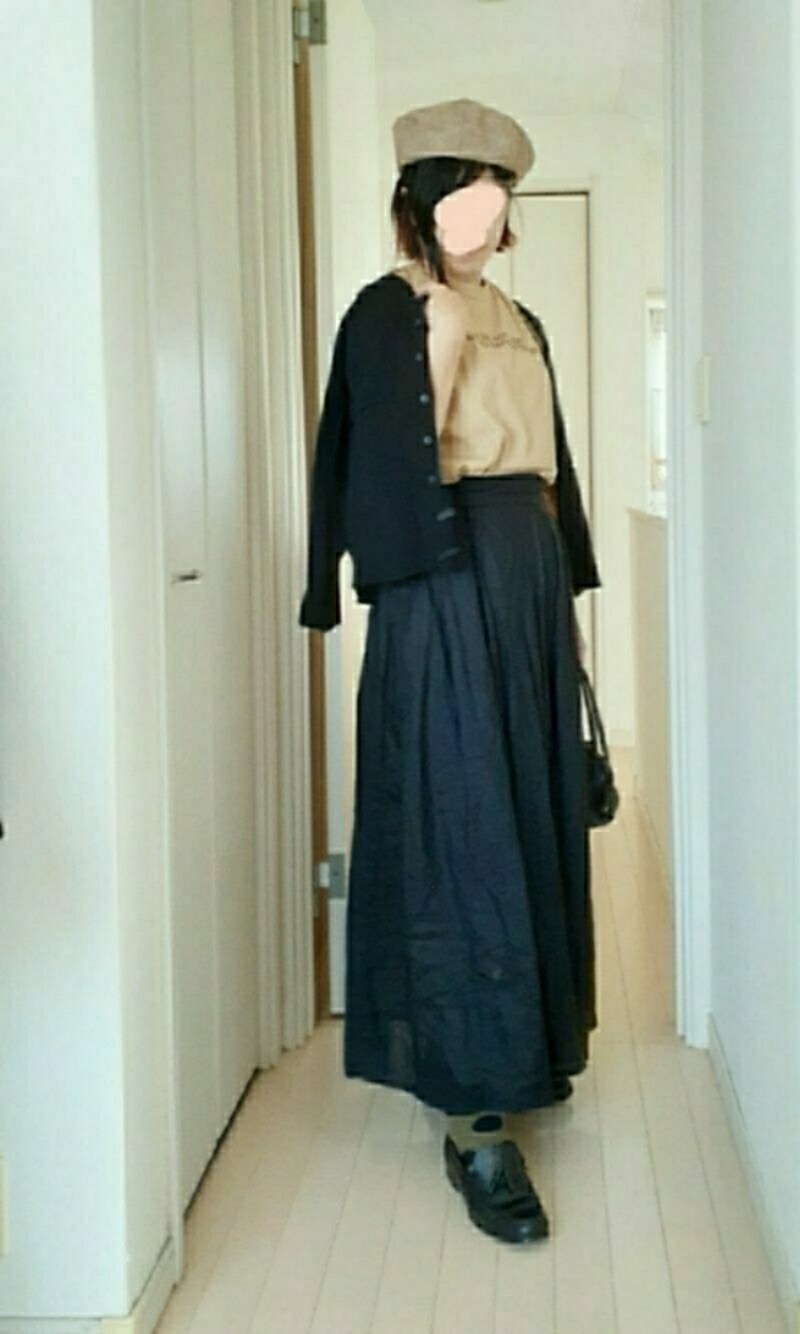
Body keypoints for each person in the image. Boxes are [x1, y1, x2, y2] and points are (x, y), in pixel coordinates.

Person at [299, 96, 602, 1244]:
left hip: (523, 582)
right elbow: (372, 467)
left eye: (496, 198)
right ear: (418, 204)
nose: (482, 220)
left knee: (527, 816)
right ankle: (474, 1121)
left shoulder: (523, 319)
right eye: (462, 196)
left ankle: (525, 1050)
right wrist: (435, 335)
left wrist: (566, 615)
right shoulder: (384, 312)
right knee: (456, 829)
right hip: (438, 584)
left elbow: (551, 471)